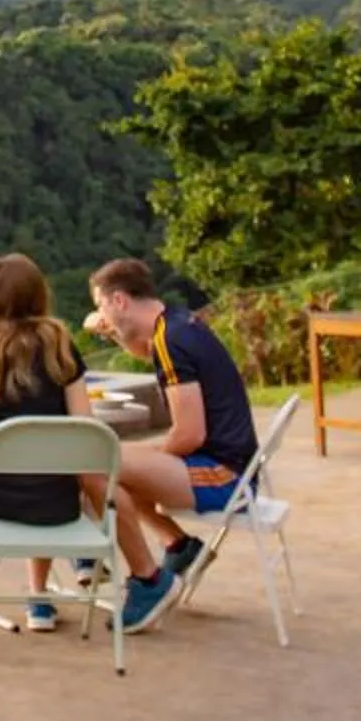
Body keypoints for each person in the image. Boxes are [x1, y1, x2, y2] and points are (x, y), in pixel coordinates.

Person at [85, 258, 258, 635]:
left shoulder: (172, 343)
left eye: (101, 305)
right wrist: (112, 331)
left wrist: (146, 460)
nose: (100, 314)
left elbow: (190, 434)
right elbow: (144, 351)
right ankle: (178, 544)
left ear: (119, 300)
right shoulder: (175, 324)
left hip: (224, 475)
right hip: (232, 462)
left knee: (100, 462)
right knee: (117, 461)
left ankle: (149, 582)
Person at [0, 252, 108, 632]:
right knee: (58, 467)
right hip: (55, 505)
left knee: (23, 465)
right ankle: (52, 583)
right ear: (39, 294)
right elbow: (83, 426)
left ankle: (43, 598)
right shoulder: (58, 343)